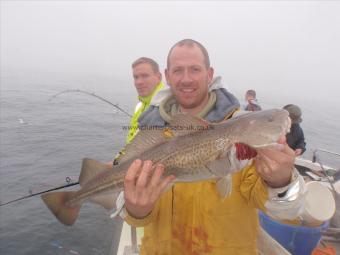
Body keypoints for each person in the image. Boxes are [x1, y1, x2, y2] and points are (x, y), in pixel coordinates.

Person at [121, 39, 305, 254]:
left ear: (209, 74)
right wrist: (135, 209)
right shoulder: (150, 131)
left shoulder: (246, 137)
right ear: (168, 76)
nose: (186, 79)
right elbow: (127, 209)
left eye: (195, 69)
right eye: (178, 70)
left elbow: (285, 212)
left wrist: (281, 181)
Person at [126, 57, 164, 144]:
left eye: (145, 76)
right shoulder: (139, 105)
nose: (139, 82)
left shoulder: (168, 107)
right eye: (136, 77)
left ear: (159, 77)